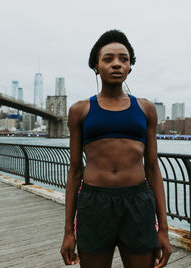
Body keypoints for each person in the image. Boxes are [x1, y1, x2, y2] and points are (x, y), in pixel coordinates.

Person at [60, 29, 172, 268]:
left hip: (138, 203)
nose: (117, 64)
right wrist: (68, 231)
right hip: (94, 203)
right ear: (96, 66)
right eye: (108, 59)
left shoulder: (145, 109)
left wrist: (163, 229)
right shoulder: (80, 110)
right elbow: (75, 171)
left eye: (124, 59)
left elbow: (152, 168)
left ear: (130, 67)